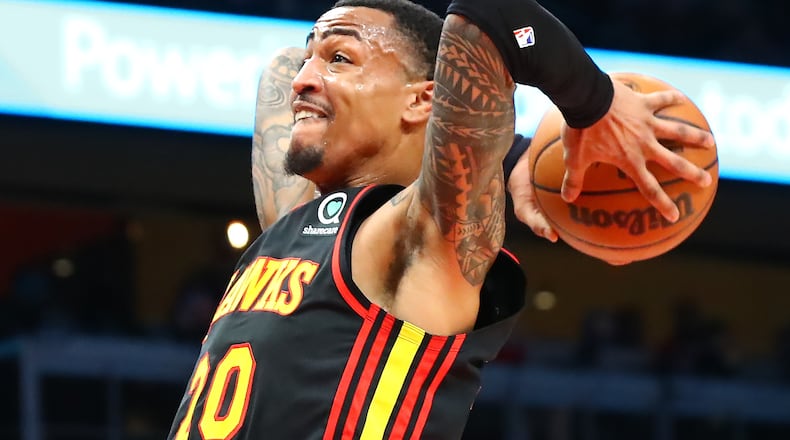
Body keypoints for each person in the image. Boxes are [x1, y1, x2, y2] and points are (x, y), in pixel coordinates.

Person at [168, 0, 715, 438]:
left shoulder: (419, 240)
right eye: (318, 59)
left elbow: (490, 16)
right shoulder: (300, 220)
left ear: (423, 100)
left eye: (340, 60)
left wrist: (592, 104)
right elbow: (282, 66)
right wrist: (516, 154)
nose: (304, 80)